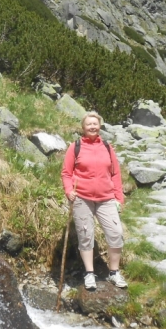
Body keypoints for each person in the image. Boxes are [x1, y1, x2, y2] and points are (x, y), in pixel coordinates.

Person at [61, 111, 128, 291]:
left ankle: (114, 272)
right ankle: (89, 273)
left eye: (95, 124)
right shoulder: (75, 147)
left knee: (116, 233)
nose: (92, 127)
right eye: (89, 124)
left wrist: (118, 198)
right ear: (83, 128)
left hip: (106, 198)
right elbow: (67, 173)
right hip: (82, 197)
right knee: (85, 235)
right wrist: (69, 191)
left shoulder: (107, 147)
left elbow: (115, 174)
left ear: (99, 126)